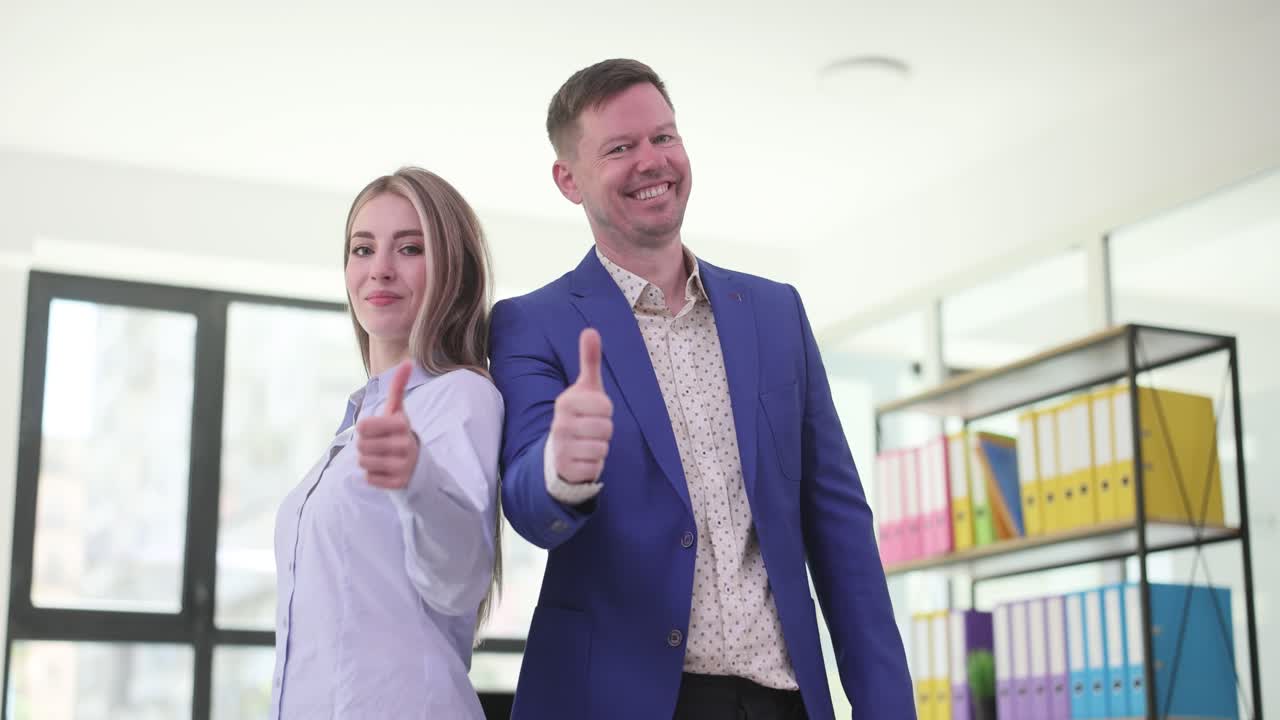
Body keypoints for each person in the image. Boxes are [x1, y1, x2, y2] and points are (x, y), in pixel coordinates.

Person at [489, 60, 915, 720]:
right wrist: (561, 468)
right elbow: (526, 503)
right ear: (568, 180)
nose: (652, 161)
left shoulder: (775, 313)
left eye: (665, 136)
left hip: (782, 699)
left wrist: (888, 707)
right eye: (621, 148)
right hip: (623, 702)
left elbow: (839, 529)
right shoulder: (531, 323)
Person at [270, 167, 503, 719]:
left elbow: (460, 580)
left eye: (410, 248)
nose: (380, 269)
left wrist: (417, 480)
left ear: (453, 269)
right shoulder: (356, 424)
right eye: (362, 248)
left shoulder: (462, 396)